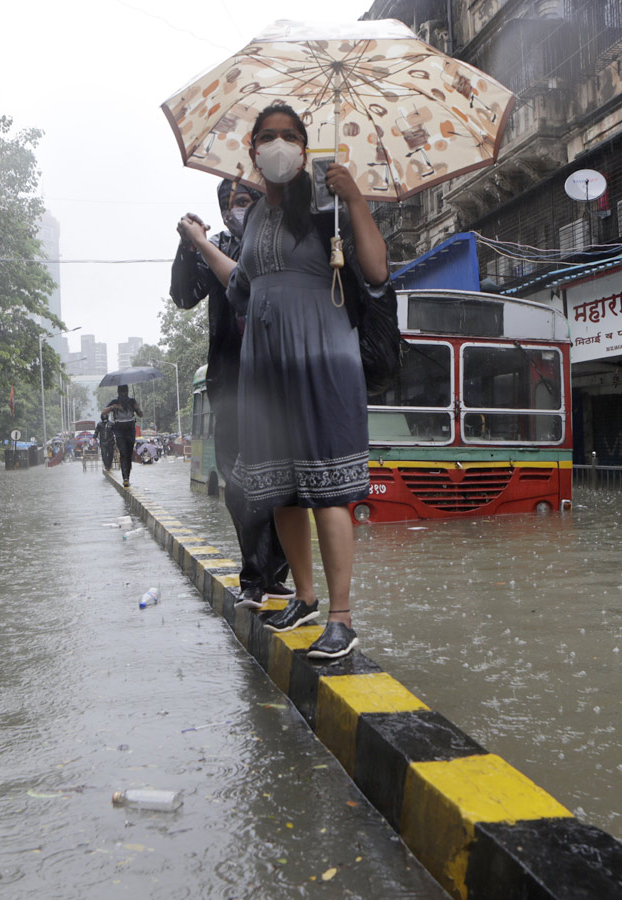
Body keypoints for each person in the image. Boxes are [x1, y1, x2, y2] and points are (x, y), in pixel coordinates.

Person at [225, 103, 389, 661]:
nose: (278, 146)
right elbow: (243, 284)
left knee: (329, 487)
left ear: (304, 148)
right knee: (279, 489)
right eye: (267, 137)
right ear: (252, 150)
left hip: (322, 354)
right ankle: (306, 595)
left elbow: (375, 271)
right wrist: (204, 244)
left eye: (289, 137)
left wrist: (357, 200)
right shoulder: (250, 218)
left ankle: (342, 617)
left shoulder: (326, 207)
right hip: (265, 361)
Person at [172, 178, 293, 610]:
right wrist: (190, 247)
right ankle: (255, 577)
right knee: (238, 484)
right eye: (227, 204)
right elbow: (184, 295)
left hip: (276, 382)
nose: (233, 210)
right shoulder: (215, 245)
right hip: (230, 383)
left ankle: (277, 574)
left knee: (281, 482)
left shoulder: (282, 240)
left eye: (242, 201)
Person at [102, 385, 142, 487]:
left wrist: (137, 408)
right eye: (121, 392)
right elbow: (103, 412)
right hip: (119, 429)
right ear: (118, 393)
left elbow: (140, 414)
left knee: (128, 454)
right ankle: (125, 478)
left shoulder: (132, 401)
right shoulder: (114, 402)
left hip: (130, 428)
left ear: (128, 392)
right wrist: (113, 407)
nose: (123, 394)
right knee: (123, 453)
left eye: (125, 392)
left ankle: (127, 476)